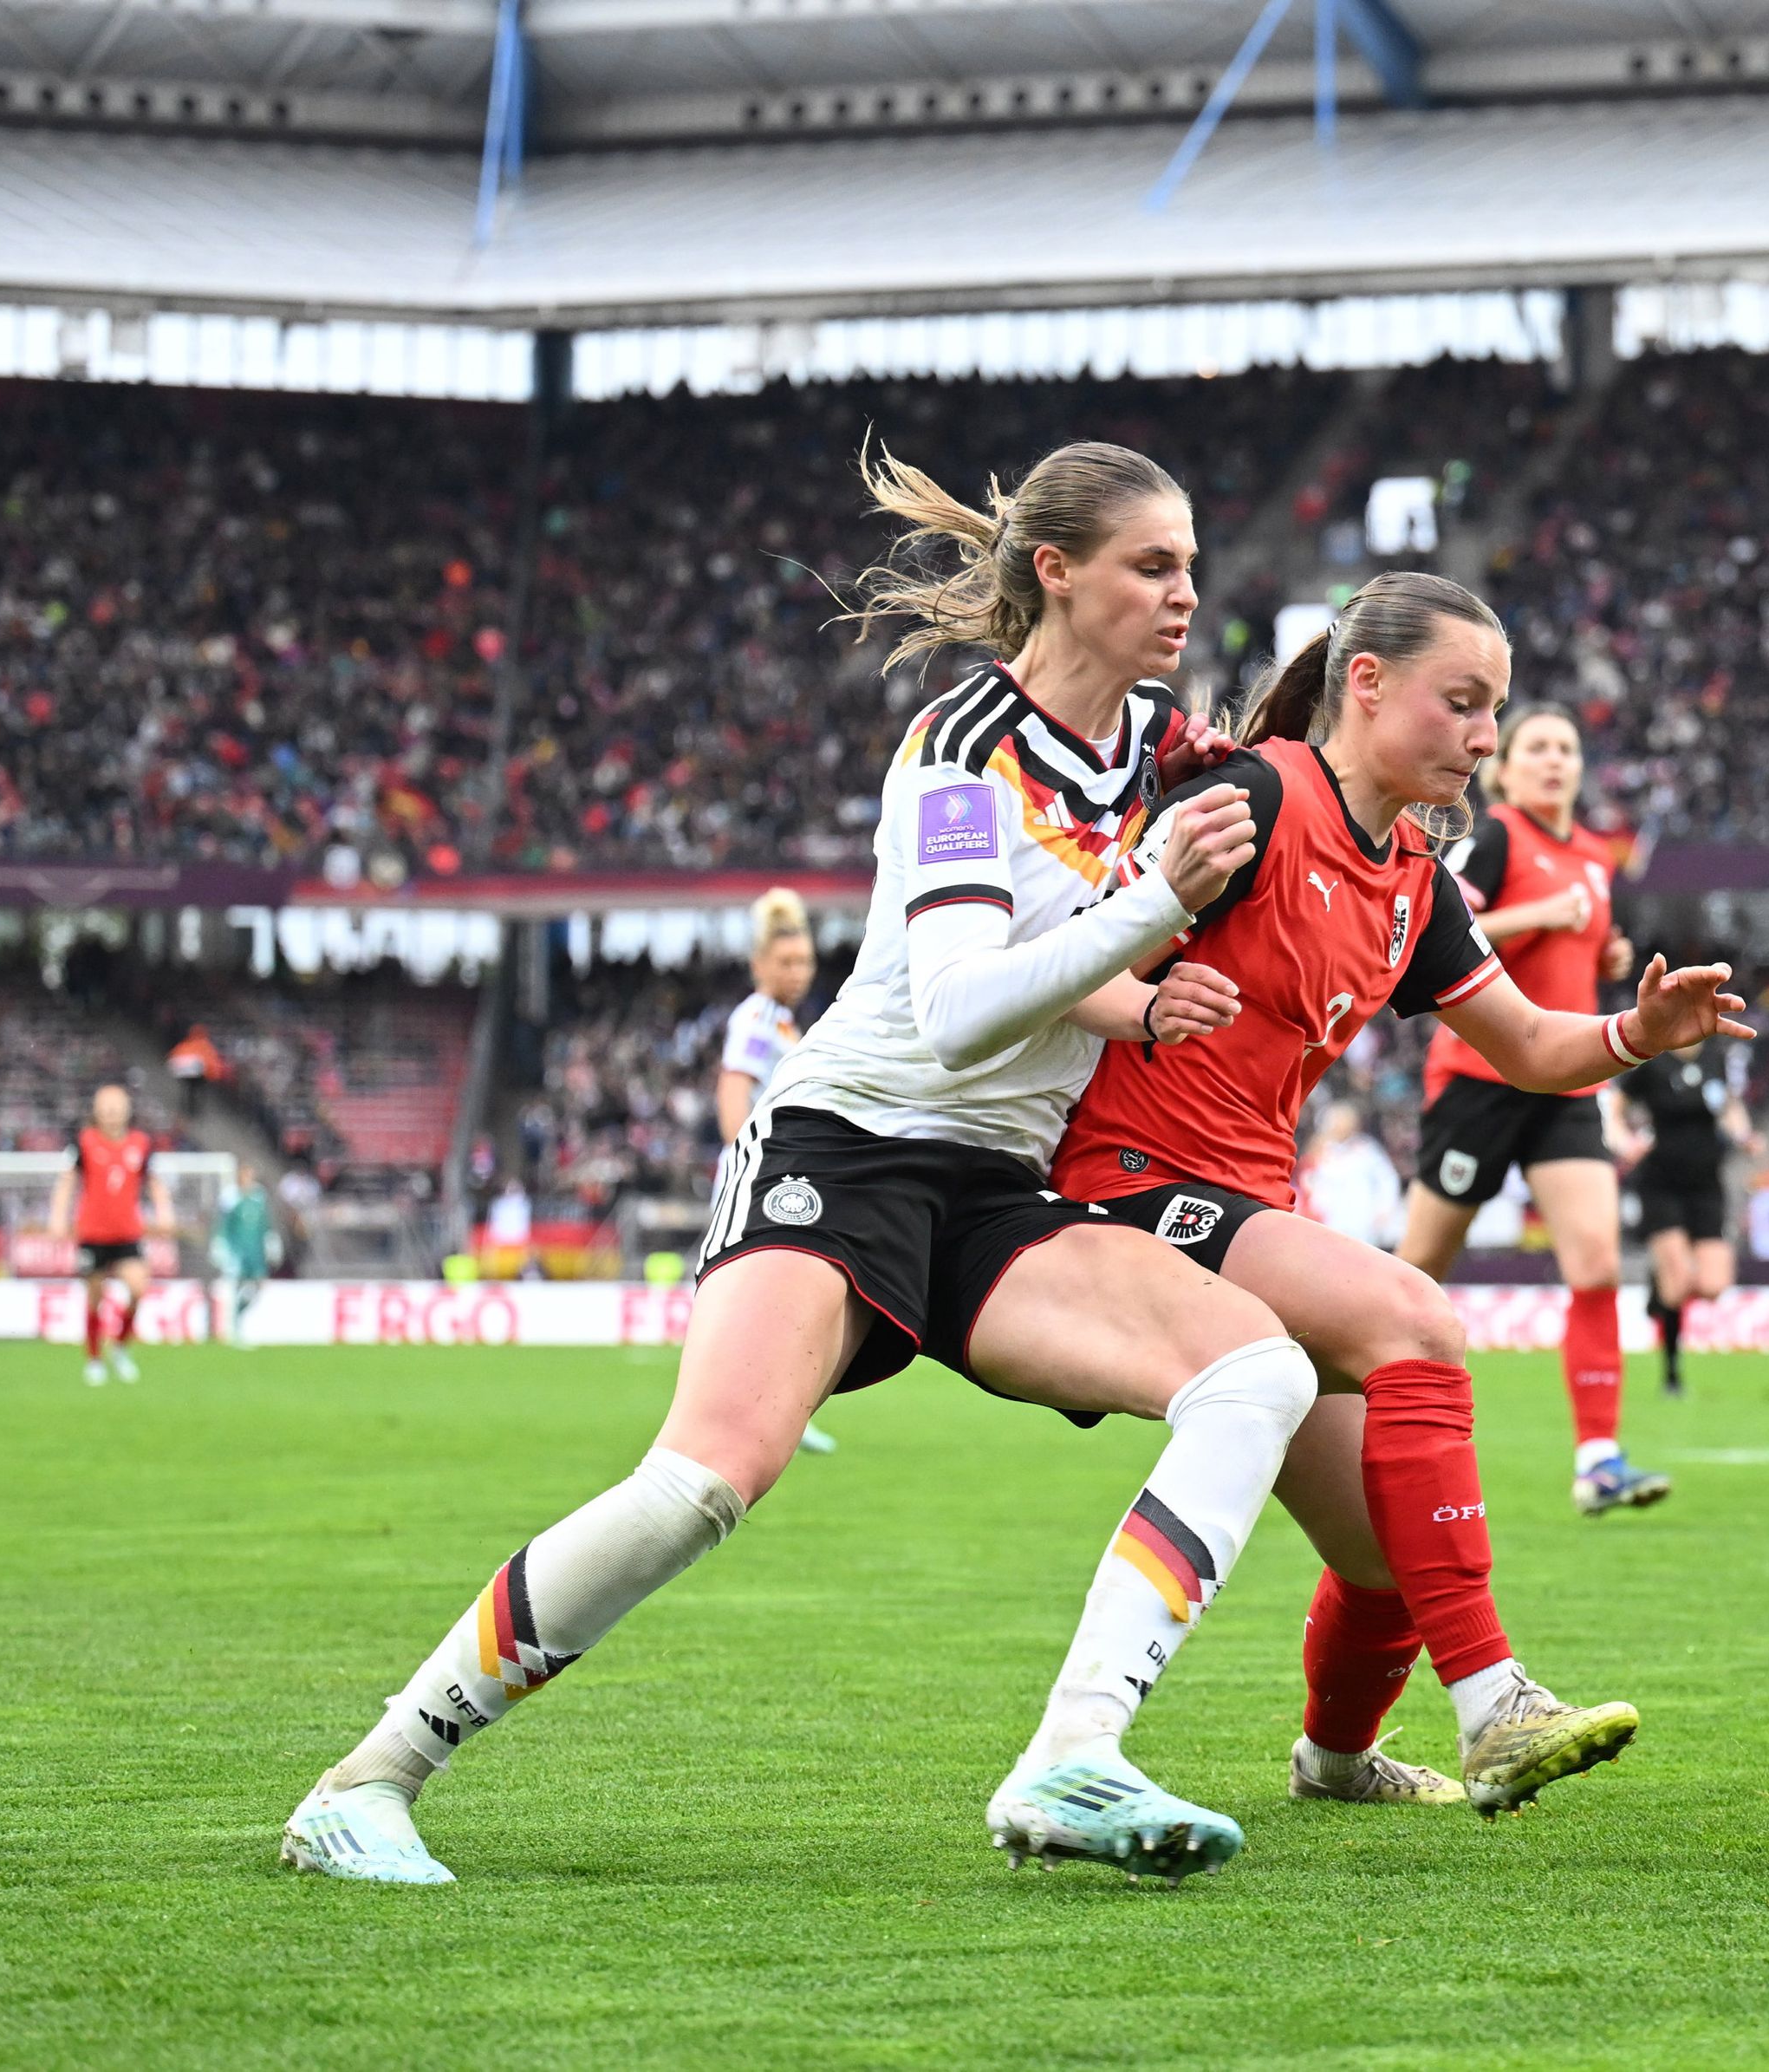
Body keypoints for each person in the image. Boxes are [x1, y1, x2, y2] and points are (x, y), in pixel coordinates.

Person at [284, 437, 1319, 1892]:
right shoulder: (960, 757)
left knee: (1257, 1374)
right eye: (1155, 565)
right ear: (1056, 573)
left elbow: (1078, 937)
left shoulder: (1152, 754)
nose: (1185, 595)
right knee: (706, 1480)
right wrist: (1153, 907)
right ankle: (367, 1779)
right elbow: (958, 1006)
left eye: (1193, 566)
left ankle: (1069, 1757)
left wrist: (1143, 993)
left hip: (993, 1186)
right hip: (845, 1143)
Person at [1050, 570, 1752, 1815]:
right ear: (1363, 685)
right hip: (1131, 1187)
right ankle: (1496, 1707)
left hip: (1248, 1201)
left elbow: (1532, 1045)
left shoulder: (1415, 877)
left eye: (1498, 711)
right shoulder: (1249, 800)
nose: (1485, 738)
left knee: (1388, 1553)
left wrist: (1638, 1032)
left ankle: (1332, 1764)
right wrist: (1149, 1002)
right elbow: (1062, 971)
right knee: (1419, 1316)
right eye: (1465, 704)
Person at [1395, 706, 1666, 1515]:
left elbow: (1579, 955)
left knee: (1598, 1265)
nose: (1554, 762)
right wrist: (1542, 919)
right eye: (1537, 749)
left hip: (1567, 1086)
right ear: (1505, 769)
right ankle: (1349, 1415)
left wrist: (1605, 951)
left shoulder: (1592, 856)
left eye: (1567, 750)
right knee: (1415, 1278)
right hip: (1478, 1076)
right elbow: (1450, 925)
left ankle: (1600, 1458)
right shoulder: (1501, 836)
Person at [718, 886, 837, 1455]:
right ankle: (758, 1410)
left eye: (805, 961)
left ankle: (774, 1408)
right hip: (760, 1174)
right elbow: (733, 1088)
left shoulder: (786, 1024)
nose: (799, 971)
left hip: (779, 1172)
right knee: (768, 1294)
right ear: (759, 964)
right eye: (787, 961)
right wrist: (745, 1159)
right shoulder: (758, 1017)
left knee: (779, 1295)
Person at [1612, 1033, 1756, 1398]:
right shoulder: (1651, 1060)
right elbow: (1615, 1105)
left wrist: (1744, 1135)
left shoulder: (1716, 1057)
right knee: (1676, 1288)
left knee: (1712, 1285)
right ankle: (1672, 1375)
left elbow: (1730, 1106)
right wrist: (1625, 1141)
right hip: (1661, 1182)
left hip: (1706, 1183)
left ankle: (1658, 1281)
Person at [48, 1084, 171, 1385]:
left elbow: (153, 1181)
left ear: (127, 1110)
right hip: (93, 1234)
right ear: (97, 1110)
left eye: (117, 1106)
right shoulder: (84, 1142)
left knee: (139, 1288)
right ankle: (94, 1359)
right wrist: (58, 1217)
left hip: (127, 1234)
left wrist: (164, 1210)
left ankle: (120, 1346)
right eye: (106, 1106)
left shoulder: (141, 1143)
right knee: (95, 1296)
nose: (112, 1112)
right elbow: (67, 1182)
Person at [1297, 1102, 1404, 1251]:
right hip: (1331, 1216)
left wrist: (1385, 1207)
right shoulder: (1321, 1149)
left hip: (1362, 1214)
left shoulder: (1366, 1148)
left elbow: (1387, 1178)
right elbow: (1310, 1179)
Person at [209, 1156, 279, 1348]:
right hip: (236, 1251)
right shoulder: (230, 1197)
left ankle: (240, 1315)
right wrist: (219, 1243)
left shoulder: (259, 1196)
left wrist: (271, 1240)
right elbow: (222, 1223)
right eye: (245, 1175)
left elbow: (265, 1221)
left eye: (250, 1175)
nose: (248, 1178)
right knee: (235, 1287)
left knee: (258, 1286)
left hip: (255, 1250)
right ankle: (233, 1328)